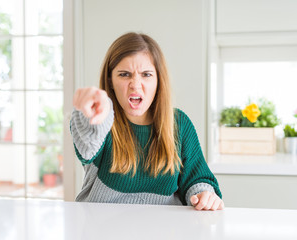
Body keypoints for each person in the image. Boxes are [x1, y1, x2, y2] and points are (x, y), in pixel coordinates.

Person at [70, 32, 224, 211]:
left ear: (158, 81)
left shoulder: (179, 123)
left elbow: (197, 179)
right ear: (110, 80)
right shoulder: (102, 122)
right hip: (100, 228)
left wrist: (204, 195)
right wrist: (90, 112)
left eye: (146, 74)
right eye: (124, 74)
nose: (135, 84)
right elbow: (88, 144)